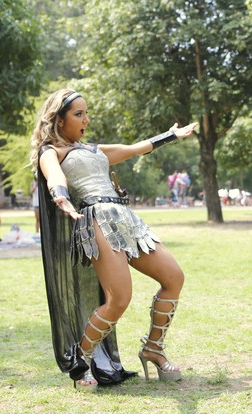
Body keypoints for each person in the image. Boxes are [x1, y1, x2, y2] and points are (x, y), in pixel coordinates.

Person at [29, 88, 198, 392]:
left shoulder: (95, 149)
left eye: (86, 112)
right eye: (78, 114)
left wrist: (171, 136)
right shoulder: (52, 151)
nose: (86, 119)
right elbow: (54, 176)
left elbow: (135, 148)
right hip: (96, 222)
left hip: (125, 220)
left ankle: (154, 349)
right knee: (119, 299)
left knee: (174, 277)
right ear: (59, 119)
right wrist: (61, 198)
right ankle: (82, 358)